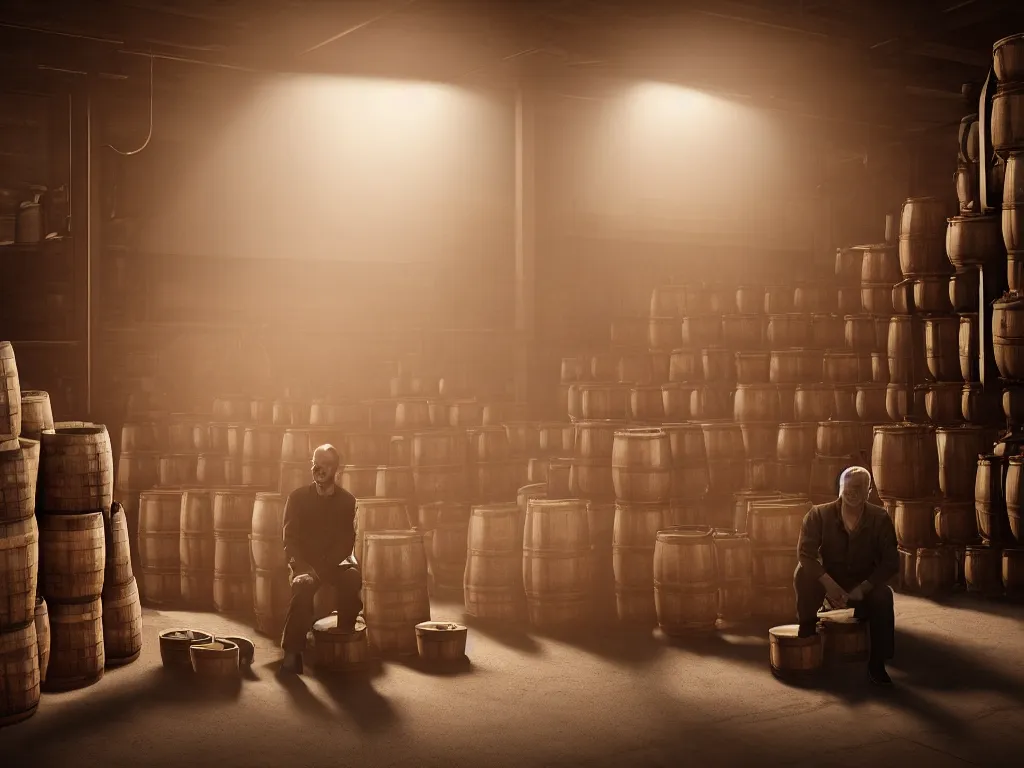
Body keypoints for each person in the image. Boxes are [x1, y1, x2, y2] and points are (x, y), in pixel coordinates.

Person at [794, 465, 899, 686]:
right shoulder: (818, 514)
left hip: (862, 584)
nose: (853, 492)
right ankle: (807, 635)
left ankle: (877, 663)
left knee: (884, 596)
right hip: (829, 578)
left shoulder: (880, 518)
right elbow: (805, 554)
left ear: (869, 491)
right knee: (804, 573)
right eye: (848, 487)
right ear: (840, 488)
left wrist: (864, 588)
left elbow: (890, 562)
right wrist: (828, 584)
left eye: (859, 487)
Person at [279, 443, 362, 674]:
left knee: (352, 578)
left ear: (336, 469)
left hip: (332, 564)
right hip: (305, 564)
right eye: (315, 463)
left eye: (325, 465)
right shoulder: (297, 498)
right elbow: (290, 540)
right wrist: (302, 569)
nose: (318, 469)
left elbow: (346, 544)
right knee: (302, 589)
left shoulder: (348, 501)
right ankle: (292, 654)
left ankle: (342, 642)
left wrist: (321, 571)